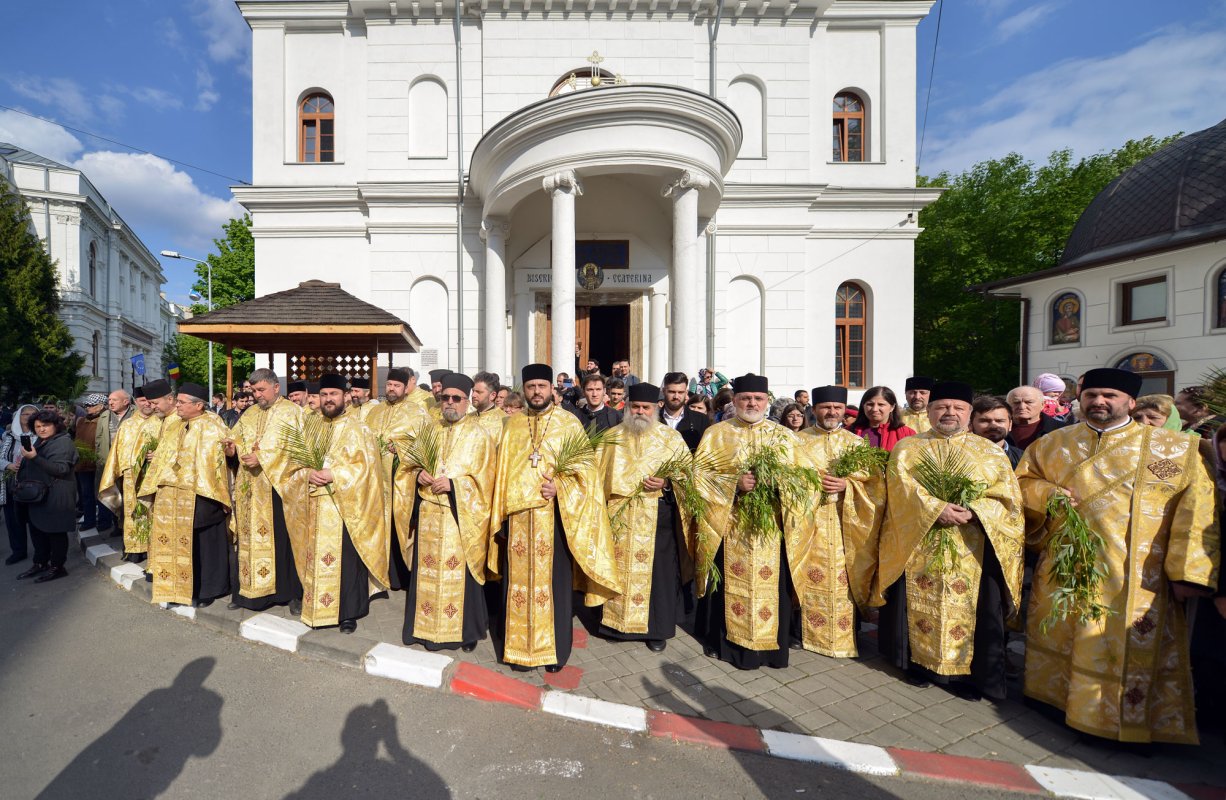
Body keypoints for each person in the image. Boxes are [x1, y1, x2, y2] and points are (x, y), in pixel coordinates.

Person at [1016, 368, 1219, 744]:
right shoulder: (1051, 443)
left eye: (1110, 395)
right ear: (1079, 396)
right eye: (1092, 394)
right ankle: (1057, 703)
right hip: (1065, 565)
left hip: (1137, 575)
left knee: (1116, 643)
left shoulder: (1172, 449)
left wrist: (1186, 572)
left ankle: (1121, 724)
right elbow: (1023, 484)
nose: (1099, 402)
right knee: (1065, 634)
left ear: (1130, 402)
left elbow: (1196, 509)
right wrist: (1048, 495)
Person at [874, 381, 1025, 701]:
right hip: (919, 541)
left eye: (958, 408)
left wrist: (975, 511)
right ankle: (919, 666)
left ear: (969, 414)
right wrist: (935, 508)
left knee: (976, 608)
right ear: (928, 412)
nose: (949, 413)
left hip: (973, 546)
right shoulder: (908, 448)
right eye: (941, 407)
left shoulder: (989, 452)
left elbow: (1008, 499)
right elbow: (898, 491)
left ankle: (969, 675)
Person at [487, 363, 619, 671]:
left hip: (556, 521)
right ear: (524, 390)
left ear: (551, 390)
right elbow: (501, 474)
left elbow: (586, 473)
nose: (536, 392)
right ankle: (519, 650)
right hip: (518, 522)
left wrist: (560, 486)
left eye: (541, 387)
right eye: (530, 387)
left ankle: (554, 652)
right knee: (516, 587)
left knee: (555, 589)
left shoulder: (569, 424)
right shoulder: (514, 426)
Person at [693, 374, 800, 670]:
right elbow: (699, 477)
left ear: (766, 402)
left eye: (757, 399)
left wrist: (777, 482)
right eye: (745, 398)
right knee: (726, 584)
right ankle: (723, 644)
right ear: (735, 400)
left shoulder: (784, 437)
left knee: (772, 586)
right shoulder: (717, 434)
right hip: (730, 524)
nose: (751, 403)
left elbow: (805, 482)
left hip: (770, 528)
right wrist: (733, 483)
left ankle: (771, 650)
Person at [400, 373, 495, 652]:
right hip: (429, 515)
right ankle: (424, 628)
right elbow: (409, 465)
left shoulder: (480, 435)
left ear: (468, 401)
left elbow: (486, 481)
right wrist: (418, 475)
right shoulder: (429, 429)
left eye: (457, 398)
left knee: (460, 575)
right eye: (445, 398)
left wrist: (454, 484)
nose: (450, 403)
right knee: (426, 570)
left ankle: (464, 633)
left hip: (460, 519)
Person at [600, 383, 692, 652]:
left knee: (659, 574)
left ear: (656, 408)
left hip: (657, 515)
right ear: (627, 407)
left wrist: (666, 483)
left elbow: (688, 476)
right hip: (620, 516)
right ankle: (616, 625)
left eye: (645, 407)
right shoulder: (612, 437)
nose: (640, 411)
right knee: (618, 570)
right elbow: (597, 477)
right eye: (635, 406)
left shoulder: (670, 439)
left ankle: (657, 630)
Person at [794, 386, 885, 657]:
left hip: (848, 523)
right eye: (825, 407)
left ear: (844, 410)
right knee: (804, 572)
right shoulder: (796, 442)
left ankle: (848, 633)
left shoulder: (857, 444)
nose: (831, 412)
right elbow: (785, 480)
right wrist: (810, 482)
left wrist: (848, 485)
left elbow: (876, 488)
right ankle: (802, 633)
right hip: (808, 522)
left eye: (837, 407)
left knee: (846, 576)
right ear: (814, 409)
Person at [295, 374, 390, 633]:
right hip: (315, 505)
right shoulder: (311, 426)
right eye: (324, 394)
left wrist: (334, 474)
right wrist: (307, 473)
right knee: (316, 557)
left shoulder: (358, 428)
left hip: (346, 507)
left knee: (347, 562)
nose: (328, 399)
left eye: (333, 394)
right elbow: (297, 460)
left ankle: (350, 613)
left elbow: (368, 469)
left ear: (345, 396)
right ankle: (317, 609)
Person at [224, 369, 308, 614]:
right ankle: (250, 594)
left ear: (276, 388)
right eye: (253, 391)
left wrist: (263, 458)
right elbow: (236, 440)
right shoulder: (249, 413)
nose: (256, 395)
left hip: (278, 487)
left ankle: (290, 593)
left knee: (283, 540)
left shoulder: (292, 413)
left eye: (261, 390)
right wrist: (232, 450)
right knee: (249, 539)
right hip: (250, 487)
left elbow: (300, 450)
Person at [141, 383, 232, 607]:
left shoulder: (213, 424)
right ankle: (182, 586)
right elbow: (166, 456)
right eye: (178, 401)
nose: (177, 405)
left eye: (182, 402)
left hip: (202, 495)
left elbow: (218, 459)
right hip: (173, 495)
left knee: (205, 543)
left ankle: (209, 589)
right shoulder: (177, 426)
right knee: (181, 542)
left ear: (198, 405)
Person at [369, 367, 428, 590]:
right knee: (379, 525)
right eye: (389, 385)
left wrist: (400, 448)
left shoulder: (417, 412)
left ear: (406, 388)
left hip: (401, 478)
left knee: (399, 525)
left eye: (397, 386)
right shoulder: (375, 412)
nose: (392, 389)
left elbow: (424, 445)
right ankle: (380, 571)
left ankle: (402, 575)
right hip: (376, 478)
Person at [97, 386, 164, 563]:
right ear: (135, 402)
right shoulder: (127, 425)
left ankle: (152, 547)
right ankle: (134, 549)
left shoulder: (162, 422)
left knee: (152, 511)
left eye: (150, 400)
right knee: (132, 512)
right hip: (130, 479)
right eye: (142, 401)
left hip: (155, 477)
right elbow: (116, 453)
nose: (147, 404)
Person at [14, 410, 78, 582]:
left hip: (56, 495)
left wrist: (34, 457)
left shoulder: (63, 443)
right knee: (38, 530)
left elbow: (61, 469)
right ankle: (40, 563)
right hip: (40, 495)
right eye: (38, 426)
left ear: (55, 425)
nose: (41, 429)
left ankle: (58, 567)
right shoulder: (41, 440)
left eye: (46, 425)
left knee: (55, 532)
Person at [2, 404, 38, 564]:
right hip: (13, 483)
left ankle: (41, 552)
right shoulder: (9, 436)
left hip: (36, 483)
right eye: (25, 414)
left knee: (36, 519)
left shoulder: (42, 434)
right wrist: (9, 465)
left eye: (32, 414)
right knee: (13, 520)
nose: (29, 417)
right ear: (18, 417)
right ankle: (18, 551)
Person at [95, 389, 133, 534]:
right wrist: (101, 459)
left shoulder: (135, 415)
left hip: (128, 464)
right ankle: (116, 524)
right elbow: (98, 440)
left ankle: (128, 526)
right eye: (109, 400)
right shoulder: (104, 416)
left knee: (128, 496)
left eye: (114, 400)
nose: (110, 403)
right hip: (109, 464)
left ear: (126, 401)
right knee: (112, 494)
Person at [74, 393, 107, 532]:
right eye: (86, 405)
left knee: (102, 494)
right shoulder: (81, 421)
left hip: (99, 463)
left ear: (100, 406)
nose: (87, 407)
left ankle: (105, 521)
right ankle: (89, 520)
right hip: (83, 463)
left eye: (91, 405)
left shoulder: (105, 420)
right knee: (86, 494)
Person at [849, 386, 915, 452]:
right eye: (870, 404)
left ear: (892, 407)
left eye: (881, 404)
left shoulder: (907, 434)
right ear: (863, 406)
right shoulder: (849, 432)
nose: (874, 409)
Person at [659, 373, 710, 453]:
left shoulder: (701, 419)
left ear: (686, 393)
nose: (676, 396)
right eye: (672, 392)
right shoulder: (653, 419)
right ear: (664, 391)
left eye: (680, 392)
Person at [971, 395, 1023, 468]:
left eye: (1000, 421)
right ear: (971, 424)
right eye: (984, 421)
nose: (993, 426)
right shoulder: (958, 455)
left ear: (1010, 424)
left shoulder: (1024, 458)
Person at [1005, 386, 1064, 450]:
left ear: (1042, 404)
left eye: (1029, 402)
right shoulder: (998, 429)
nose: (1022, 407)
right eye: (1016, 402)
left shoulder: (1061, 430)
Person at [471, 371, 505, 442]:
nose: (473, 395)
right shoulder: (467, 418)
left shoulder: (504, 421)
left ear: (492, 395)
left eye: (478, 392)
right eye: (473, 391)